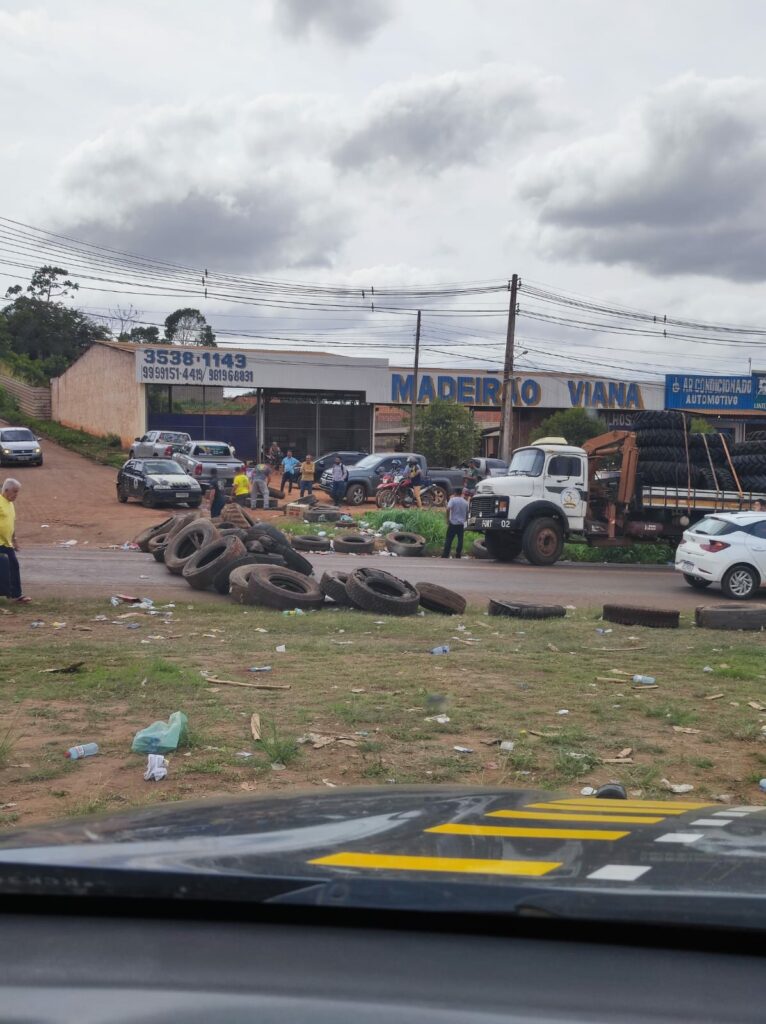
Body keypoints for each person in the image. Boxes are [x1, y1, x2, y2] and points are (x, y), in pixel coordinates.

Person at [0, 478, 30, 602]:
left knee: (13, 566)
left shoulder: (10, 504)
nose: (16, 495)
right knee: (4, 567)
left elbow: (10, 524)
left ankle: (16, 595)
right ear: (6, 490)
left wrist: (14, 540)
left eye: (18, 492)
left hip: (7, 543)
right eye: (15, 492)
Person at [442, 487, 470, 559]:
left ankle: (445, 554)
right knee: (460, 540)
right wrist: (466, 523)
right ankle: (458, 554)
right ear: (461, 493)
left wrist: (447, 519)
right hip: (461, 524)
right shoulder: (465, 502)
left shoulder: (452, 500)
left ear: (455, 493)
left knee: (449, 539)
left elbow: (448, 509)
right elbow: (467, 514)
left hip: (453, 523)